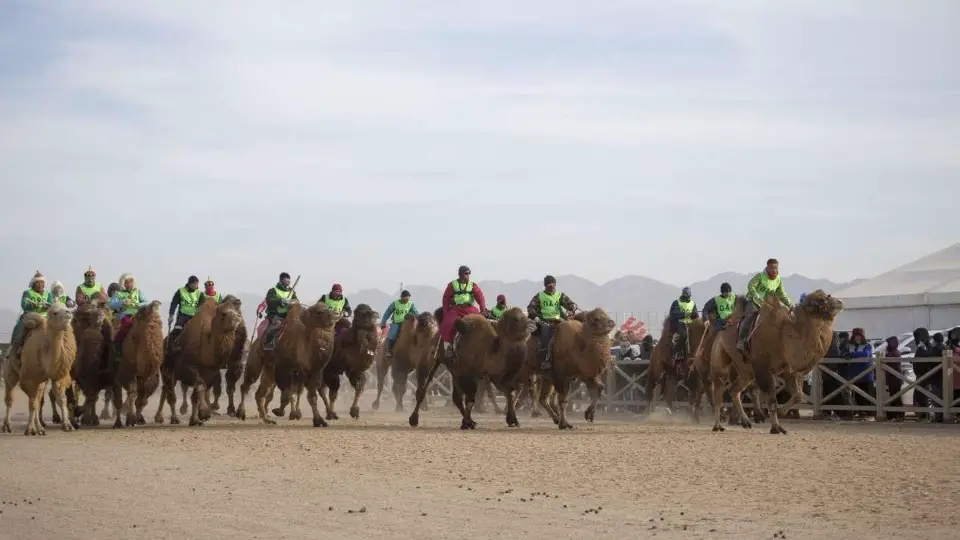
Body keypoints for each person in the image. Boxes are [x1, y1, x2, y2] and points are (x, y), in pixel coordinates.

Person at [737, 258, 792, 353]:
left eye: (776, 268)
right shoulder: (760, 276)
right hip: (754, 302)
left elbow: (782, 294)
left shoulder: (778, 280)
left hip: (769, 305)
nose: (775, 270)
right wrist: (758, 299)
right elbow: (751, 286)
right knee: (749, 317)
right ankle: (741, 341)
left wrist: (790, 305)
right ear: (767, 268)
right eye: (772, 268)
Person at [527, 275, 578, 370]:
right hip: (545, 322)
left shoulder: (560, 295)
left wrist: (572, 308)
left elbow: (570, 303)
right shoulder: (540, 296)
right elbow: (530, 308)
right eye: (549, 286)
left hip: (559, 321)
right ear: (545, 286)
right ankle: (545, 361)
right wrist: (536, 317)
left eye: (553, 286)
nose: (552, 288)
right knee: (545, 338)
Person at [439, 265, 488, 360]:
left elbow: (480, 297)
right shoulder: (452, 285)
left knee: (482, 322)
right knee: (448, 323)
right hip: (456, 309)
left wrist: (483, 309)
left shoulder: (473, 285)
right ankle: (448, 347)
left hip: (470, 309)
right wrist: (446, 312)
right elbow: (446, 299)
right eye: (466, 273)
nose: (468, 275)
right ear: (460, 274)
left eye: (469, 273)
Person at [9, 271, 50, 361]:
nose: (40, 285)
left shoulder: (48, 294)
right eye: (38, 282)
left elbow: (52, 303)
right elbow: (24, 304)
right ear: (33, 283)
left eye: (42, 282)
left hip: (46, 317)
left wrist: (49, 305)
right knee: (21, 326)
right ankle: (18, 346)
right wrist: (32, 305)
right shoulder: (28, 292)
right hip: (31, 315)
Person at [108, 273, 151, 357]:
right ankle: (118, 348)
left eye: (131, 281)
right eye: (127, 282)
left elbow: (146, 302)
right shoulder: (118, 294)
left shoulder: (138, 292)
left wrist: (139, 305)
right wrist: (122, 302)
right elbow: (111, 305)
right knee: (126, 324)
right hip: (125, 315)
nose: (129, 284)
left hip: (138, 314)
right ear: (123, 283)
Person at [262, 272, 299, 351]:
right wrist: (280, 301)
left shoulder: (291, 292)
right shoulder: (273, 290)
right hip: (276, 314)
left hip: (288, 315)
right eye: (286, 280)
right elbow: (269, 300)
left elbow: (296, 300)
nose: (288, 282)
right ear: (281, 280)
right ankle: (268, 342)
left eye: (289, 280)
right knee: (277, 324)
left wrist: (293, 302)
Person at [379, 290, 419, 358]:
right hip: (396, 323)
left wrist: (420, 320)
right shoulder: (395, 303)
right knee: (393, 333)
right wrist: (383, 323)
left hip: (406, 323)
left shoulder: (410, 304)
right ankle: (389, 350)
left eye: (408, 298)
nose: (407, 300)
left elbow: (416, 313)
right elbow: (387, 313)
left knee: (415, 333)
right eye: (406, 299)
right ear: (402, 298)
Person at [668, 286, 699, 360]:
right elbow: (673, 313)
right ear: (683, 294)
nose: (688, 297)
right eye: (686, 295)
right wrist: (684, 314)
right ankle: (677, 351)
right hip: (679, 323)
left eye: (688, 295)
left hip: (690, 323)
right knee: (683, 334)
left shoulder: (692, 302)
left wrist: (691, 314)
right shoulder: (676, 302)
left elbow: (696, 314)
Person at [168, 276, 201, 341]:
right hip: (183, 315)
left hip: (195, 316)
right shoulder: (180, 291)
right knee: (178, 328)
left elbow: (203, 304)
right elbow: (174, 303)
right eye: (194, 283)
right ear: (189, 284)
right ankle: (175, 344)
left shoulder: (199, 293)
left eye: (197, 283)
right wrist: (171, 315)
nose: (196, 285)